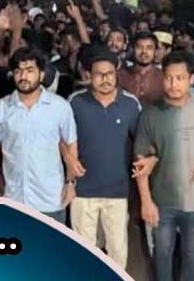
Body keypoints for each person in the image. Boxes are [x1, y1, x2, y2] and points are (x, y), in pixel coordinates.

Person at [133, 52, 194, 281]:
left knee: (193, 260)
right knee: (162, 257)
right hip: (162, 202)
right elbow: (140, 161)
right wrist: (146, 202)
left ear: (191, 79)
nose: (173, 84)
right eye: (168, 78)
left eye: (180, 78)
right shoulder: (150, 113)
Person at [0, 47, 81, 223]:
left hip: (51, 199)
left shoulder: (60, 107)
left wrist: (70, 183)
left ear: (41, 75)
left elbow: (70, 144)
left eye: (29, 71)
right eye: (18, 71)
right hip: (13, 198)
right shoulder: (1, 108)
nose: (23, 76)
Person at [68, 47, 141, 269]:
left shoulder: (131, 104)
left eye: (109, 74)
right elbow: (61, 137)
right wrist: (69, 159)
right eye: (99, 74)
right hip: (83, 190)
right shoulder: (75, 102)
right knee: (84, 253)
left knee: (117, 251)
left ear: (116, 73)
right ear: (88, 75)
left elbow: (142, 142)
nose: (105, 79)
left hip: (117, 191)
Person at [118, 32, 164, 106]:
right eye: (139, 47)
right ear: (133, 49)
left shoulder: (163, 77)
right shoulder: (120, 75)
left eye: (149, 48)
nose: (144, 51)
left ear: (155, 51)